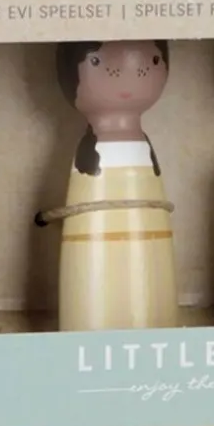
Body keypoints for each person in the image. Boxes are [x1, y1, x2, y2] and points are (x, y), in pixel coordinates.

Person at [54, 39, 177, 332]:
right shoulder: (90, 154)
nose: (127, 74)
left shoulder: (142, 150)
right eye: (97, 62)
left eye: (153, 62)